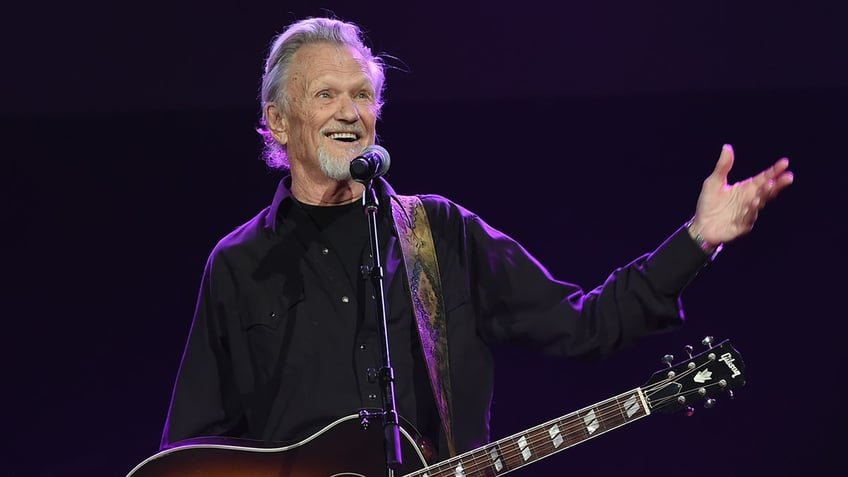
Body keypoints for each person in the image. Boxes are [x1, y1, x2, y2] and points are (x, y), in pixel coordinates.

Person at [159, 15, 793, 468]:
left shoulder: (441, 234)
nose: (350, 112)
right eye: (327, 95)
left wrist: (698, 239)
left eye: (363, 95)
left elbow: (585, 326)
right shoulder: (240, 264)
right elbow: (189, 454)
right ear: (278, 119)